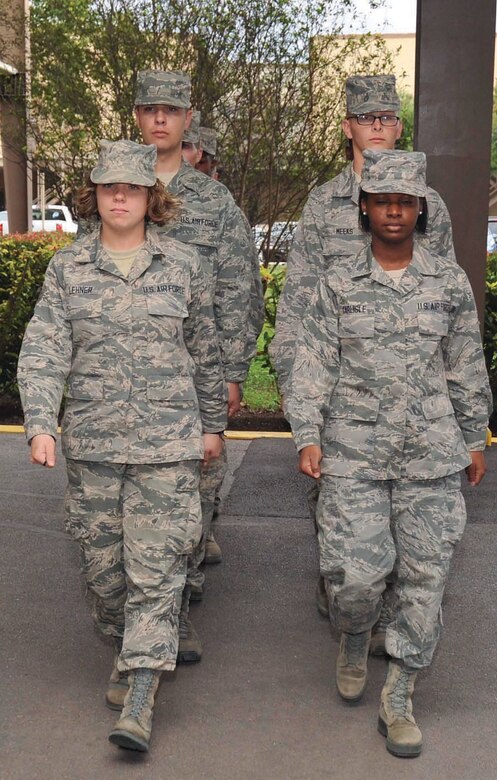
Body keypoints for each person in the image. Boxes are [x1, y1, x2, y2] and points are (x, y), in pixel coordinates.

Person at [17, 139, 227, 753]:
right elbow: (45, 347)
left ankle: (140, 693)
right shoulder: (69, 268)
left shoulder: (185, 265)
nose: (119, 197)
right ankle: (124, 646)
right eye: (109, 187)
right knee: (105, 574)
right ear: (94, 196)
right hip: (96, 447)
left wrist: (213, 426)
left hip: (168, 447)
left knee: (157, 571)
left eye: (131, 188)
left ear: (149, 197)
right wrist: (39, 423)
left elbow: (206, 352)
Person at [286, 149, 491, 758]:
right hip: (353, 456)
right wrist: (308, 435)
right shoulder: (338, 284)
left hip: (430, 455)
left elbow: (464, 366)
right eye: (383, 201)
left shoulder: (448, 283)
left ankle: (399, 694)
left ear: (420, 208)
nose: (394, 211)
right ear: (366, 208)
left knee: (425, 580)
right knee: (355, 578)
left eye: (405, 201)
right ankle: (353, 636)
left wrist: (475, 438)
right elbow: (312, 366)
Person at [270, 74, 457, 647]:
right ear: (348, 126)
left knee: (412, 521)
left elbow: (446, 301)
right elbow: (299, 295)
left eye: (387, 118)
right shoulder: (324, 202)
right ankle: (347, 593)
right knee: (338, 509)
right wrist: (294, 381)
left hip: (407, 399)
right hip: (338, 391)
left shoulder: (430, 204)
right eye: (366, 118)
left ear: (399, 127)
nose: (377, 127)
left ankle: (391, 620)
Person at [134, 70, 264, 662]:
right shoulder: (116, 189)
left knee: (190, 501)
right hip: (128, 378)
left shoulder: (214, 202)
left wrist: (234, 368)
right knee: (128, 510)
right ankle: (147, 614)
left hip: (196, 377)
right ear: (136, 117)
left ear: (189, 120)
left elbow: (240, 287)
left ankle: (177, 609)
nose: (161, 119)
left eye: (172, 110)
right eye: (150, 108)